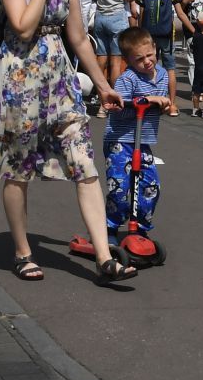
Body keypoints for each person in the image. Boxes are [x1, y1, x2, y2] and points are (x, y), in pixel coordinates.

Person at [0, 0, 133, 286]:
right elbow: (23, 28)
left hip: (59, 81)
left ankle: (105, 258)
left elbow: (77, 36)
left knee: (85, 164)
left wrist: (104, 85)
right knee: (18, 169)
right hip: (18, 83)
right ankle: (23, 252)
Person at [72, 26, 177, 260]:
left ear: (155, 50)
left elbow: (159, 106)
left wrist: (164, 106)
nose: (147, 62)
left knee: (150, 187)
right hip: (119, 141)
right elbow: (119, 109)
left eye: (149, 55)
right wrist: (147, 100)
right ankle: (109, 229)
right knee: (120, 188)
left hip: (143, 142)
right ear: (128, 61)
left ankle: (139, 229)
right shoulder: (126, 80)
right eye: (139, 59)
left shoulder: (160, 75)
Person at [135, 0, 183, 113]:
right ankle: (172, 104)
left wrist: (140, 33)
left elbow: (141, 16)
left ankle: (151, 100)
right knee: (170, 68)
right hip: (166, 35)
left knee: (149, 67)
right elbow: (180, 13)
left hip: (149, 36)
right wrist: (194, 29)